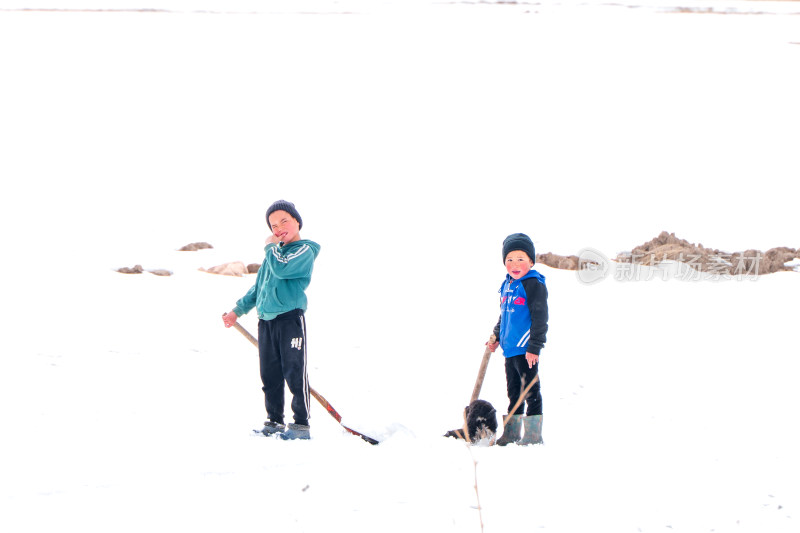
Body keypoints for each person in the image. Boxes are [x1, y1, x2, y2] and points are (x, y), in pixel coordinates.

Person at [222, 200, 321, 440]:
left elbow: (282, 270)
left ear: (297, 221)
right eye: (273, 225)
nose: (278, 228)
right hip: (266, 322)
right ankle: (274, 421)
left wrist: (270, 247)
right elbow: (259, 287)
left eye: (284, 221)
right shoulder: (273, 255)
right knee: (270, 374)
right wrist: (238, 310)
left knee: (294, 372)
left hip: (290, 320)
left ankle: (300, 425)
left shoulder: (304, 250)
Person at [487, 233, 549, 446]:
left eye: (521, 259)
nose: (515, 264)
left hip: (526, 350)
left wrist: (535, 346)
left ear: (531, 261)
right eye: (510, 259)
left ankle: (533, 435)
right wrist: (495, 336)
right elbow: (504, 316)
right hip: (510, 349)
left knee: (530, 391)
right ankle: (512, 432)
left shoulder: (533, 284)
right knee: (514, 392)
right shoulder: (508, 285)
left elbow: (540, 317)